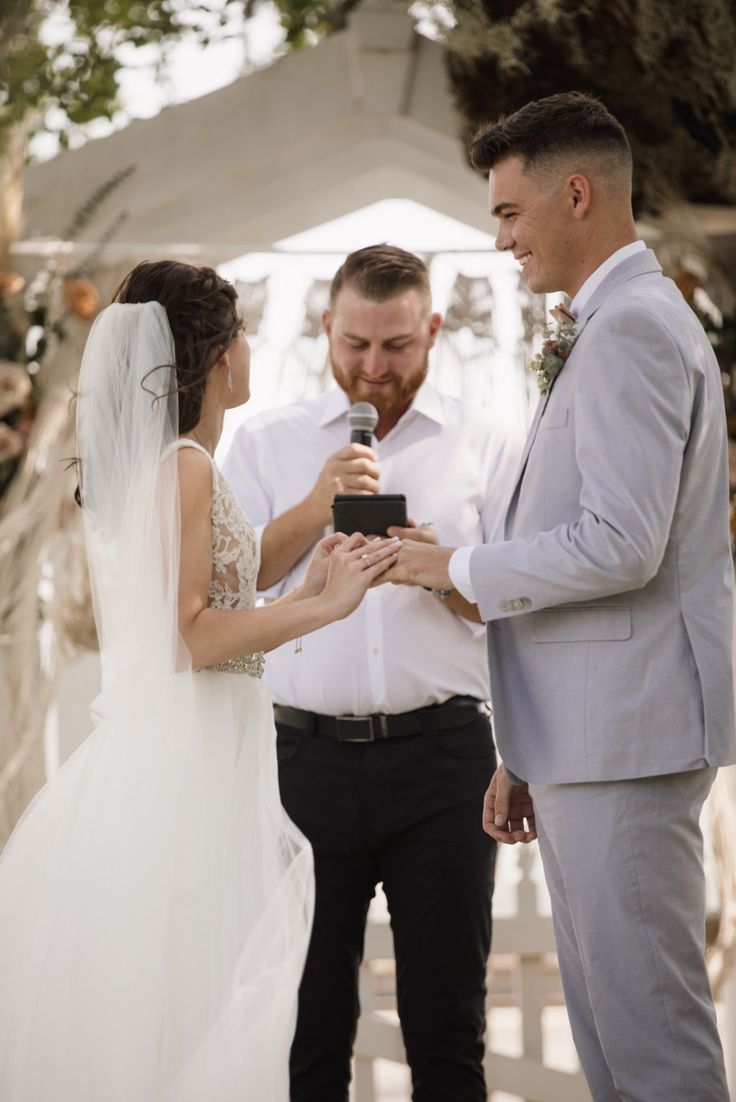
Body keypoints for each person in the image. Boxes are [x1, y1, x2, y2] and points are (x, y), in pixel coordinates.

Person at [382, 93, 736, 1102]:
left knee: (653, 1048)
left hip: (629, 741)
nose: (501, 242)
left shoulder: (628, 329)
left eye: (508, 214)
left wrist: (453, 568)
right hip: (593, 740)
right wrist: (524, 748)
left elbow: (621, 545)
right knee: (614, 1050)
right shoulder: (613, 320)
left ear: (574, 194)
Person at [0, 260, 400, 1102]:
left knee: (192, 984)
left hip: (199, 744)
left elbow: (234, 573)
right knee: (197, 989)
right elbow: (193, 632)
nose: (251, 346)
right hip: (191, 757)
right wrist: (322, 609)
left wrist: (320, 517)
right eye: (244, 331)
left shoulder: (178, 463)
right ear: (218, 355)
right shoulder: (184, 467)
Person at [223, 244, 521, 1102]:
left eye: (395, 347)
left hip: (445, 763)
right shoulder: (270, 443)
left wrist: (446, 567)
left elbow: (521, 602)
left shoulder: (489, 440)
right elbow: (226, 592)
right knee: (306, 1030)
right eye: (355, 343)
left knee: (447, 1028)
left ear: (430, 330)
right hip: (301, 765)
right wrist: (314, 509)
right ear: (327, 325)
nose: (372, 367)